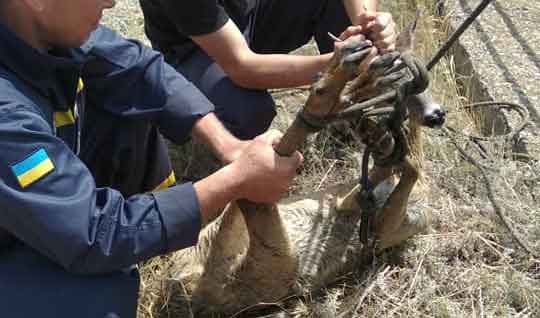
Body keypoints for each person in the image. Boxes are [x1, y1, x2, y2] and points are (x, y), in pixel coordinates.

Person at [0, 0, 304, 317]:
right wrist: (234, 180)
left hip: (35, 209)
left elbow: (139, 69)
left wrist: (230, 147)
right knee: (101, 297)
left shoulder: (40, 34)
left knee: (129, 95)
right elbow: (91, 234)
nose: (111, 2)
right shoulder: (5, 114)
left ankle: (139, 232)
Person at [139, 0, 398, 139]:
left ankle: (354, 112)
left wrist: (367, 23)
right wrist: (338, 64)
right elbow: (241, 66)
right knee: (247, 112)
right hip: (194, 50)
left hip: (250, 16)